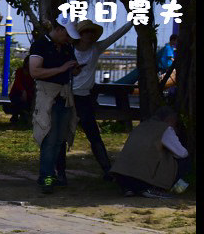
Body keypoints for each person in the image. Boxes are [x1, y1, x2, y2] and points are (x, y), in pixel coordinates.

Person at [72, 18, 133, 178]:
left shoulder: (96, 48)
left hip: (85, 97)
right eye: (87, 32)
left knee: (94, 135)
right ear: (80, 35)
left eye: (92, 32)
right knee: (61, 135)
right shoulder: (69, 50)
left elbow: (116, 35)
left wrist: (132, 22)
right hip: (68, 97)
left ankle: (107, 169)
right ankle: (58, 173)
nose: (90, 36)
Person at [28, 15, 80, 194]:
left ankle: (54, 174)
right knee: (49, 138)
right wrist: (61, 69)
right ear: (58, 29)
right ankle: (46, 177)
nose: (68, 39)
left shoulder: (66, 47)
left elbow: (70, 68)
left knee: (59, 139)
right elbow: (34, 71)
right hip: (47, 95)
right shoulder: (41, 44)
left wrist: (74, 68)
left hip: (64, 95)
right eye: (67, 34)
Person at [111, 106, 191, 198]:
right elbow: (182, 153)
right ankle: (153, 188)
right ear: (170, 119)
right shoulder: (165, 129)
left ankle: (128, 188)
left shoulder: (141, 126)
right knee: (185, 160)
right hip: (142, 177)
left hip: (122, 175)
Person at [7, 55, 35, 125]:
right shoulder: (20, 71)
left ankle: (24, 118)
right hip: (16, 93)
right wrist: (23, 91)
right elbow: (17, 83)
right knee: (18, 101)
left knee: (29, 103)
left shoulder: (34, 73)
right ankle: (15, 117)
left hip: (29, 95)